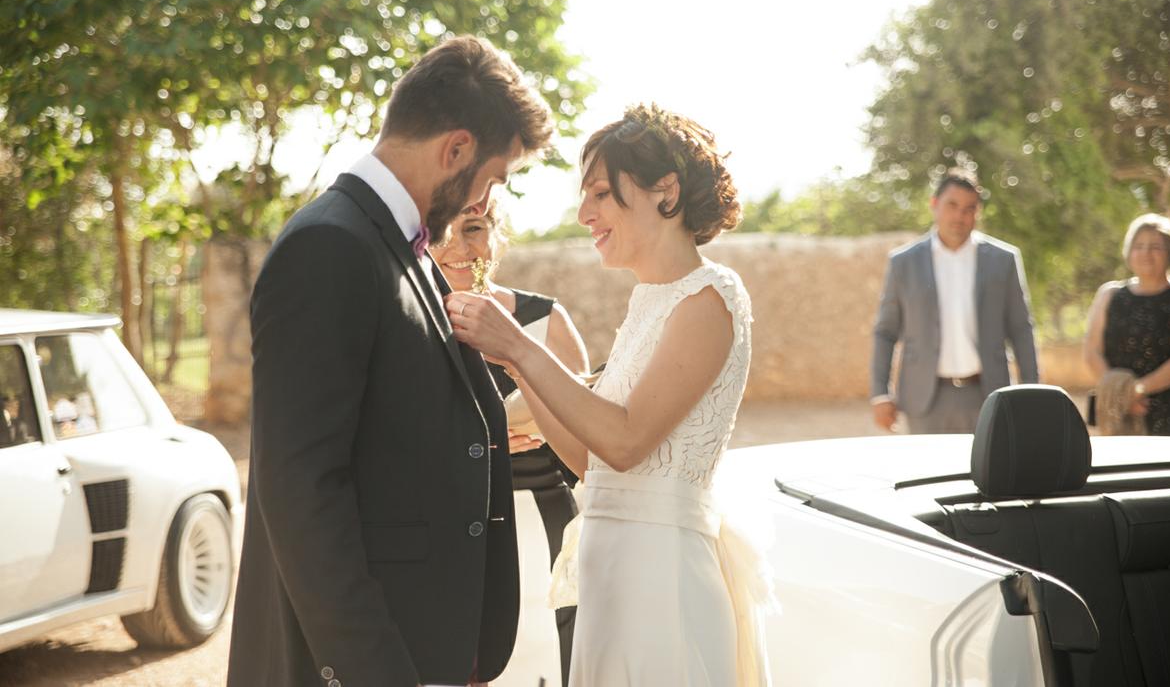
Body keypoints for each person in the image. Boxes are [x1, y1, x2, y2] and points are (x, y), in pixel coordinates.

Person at [227, 35, 554, 687]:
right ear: (455, 148)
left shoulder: (398, 247)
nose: (485, 204)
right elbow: (301, 493)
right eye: (493, 178)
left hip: (422, 643)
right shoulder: (329, 246)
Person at [445, 103, 772, 686]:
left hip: (661, 580)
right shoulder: (649, 300)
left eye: (599, 193)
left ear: (664, 191)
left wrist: (522, 349)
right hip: (612, 570)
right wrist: (514, 366)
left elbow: (625, 441)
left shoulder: (710, 298)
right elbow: (590, 463)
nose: (583, 213)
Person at [431, 199, 588, 687]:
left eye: (474, 227)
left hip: (546, 518)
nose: (457, 245)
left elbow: (589, 419)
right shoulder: (405, 323)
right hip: (446, 520)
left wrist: (546, 425)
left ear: (497, 237)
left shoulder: (545, 318)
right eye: (441, 231)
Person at [870, 168, 1039, 434]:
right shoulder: (904, 262)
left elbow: (1021, 328)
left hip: (989, 395)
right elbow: (885, 331)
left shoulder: (1003, 260)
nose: (960, 216)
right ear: (934, 205)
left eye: (969, 208)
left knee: (988, 474)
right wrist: (880, 394)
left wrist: (1032, 391)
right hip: (925, 399)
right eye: (952, 205)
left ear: (977, 213)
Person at [1083, 213, 1170, 435]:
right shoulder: (1108, 294)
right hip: (1117, 409)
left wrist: (1136, 391)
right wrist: (1121, 395)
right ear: (1129, 252)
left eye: (1155, 246)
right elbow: (1091, 351)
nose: (1146, 253)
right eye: (1139, 246)